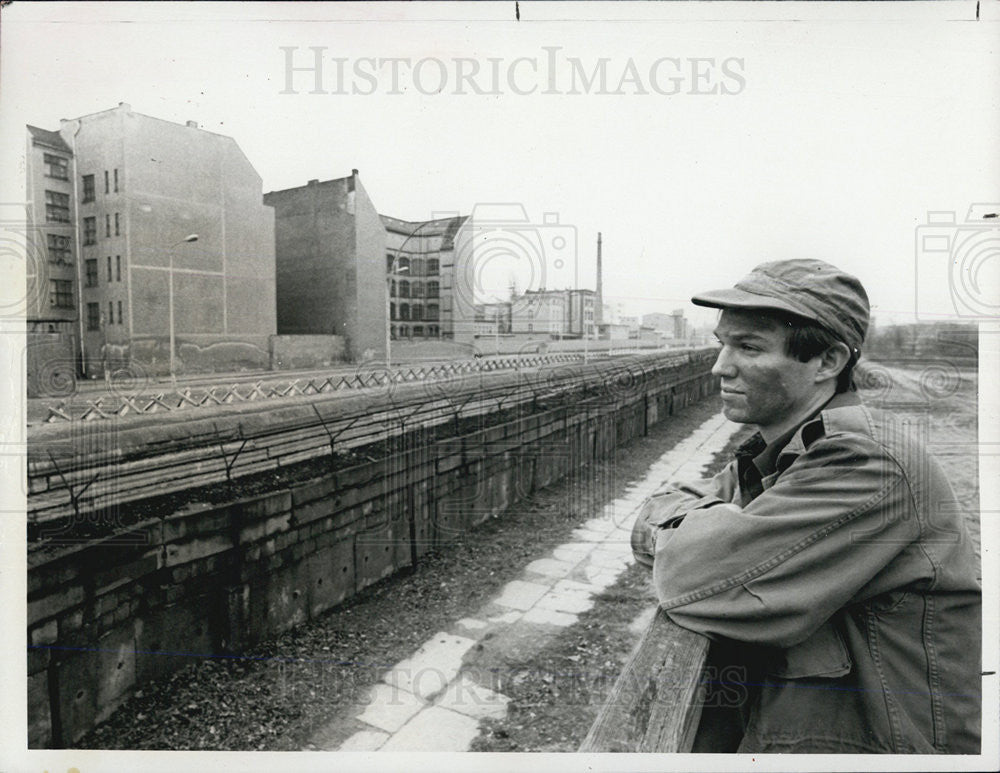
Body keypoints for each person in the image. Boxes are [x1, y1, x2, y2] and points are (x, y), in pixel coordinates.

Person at [631, 259, 981, 753]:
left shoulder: (863, 462)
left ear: (827, 362)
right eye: (722, 343)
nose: (720, 366)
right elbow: (681, 501)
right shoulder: (788, 450)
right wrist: (686, 526)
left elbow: (690, 577)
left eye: (748, 347)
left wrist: (678, 532)